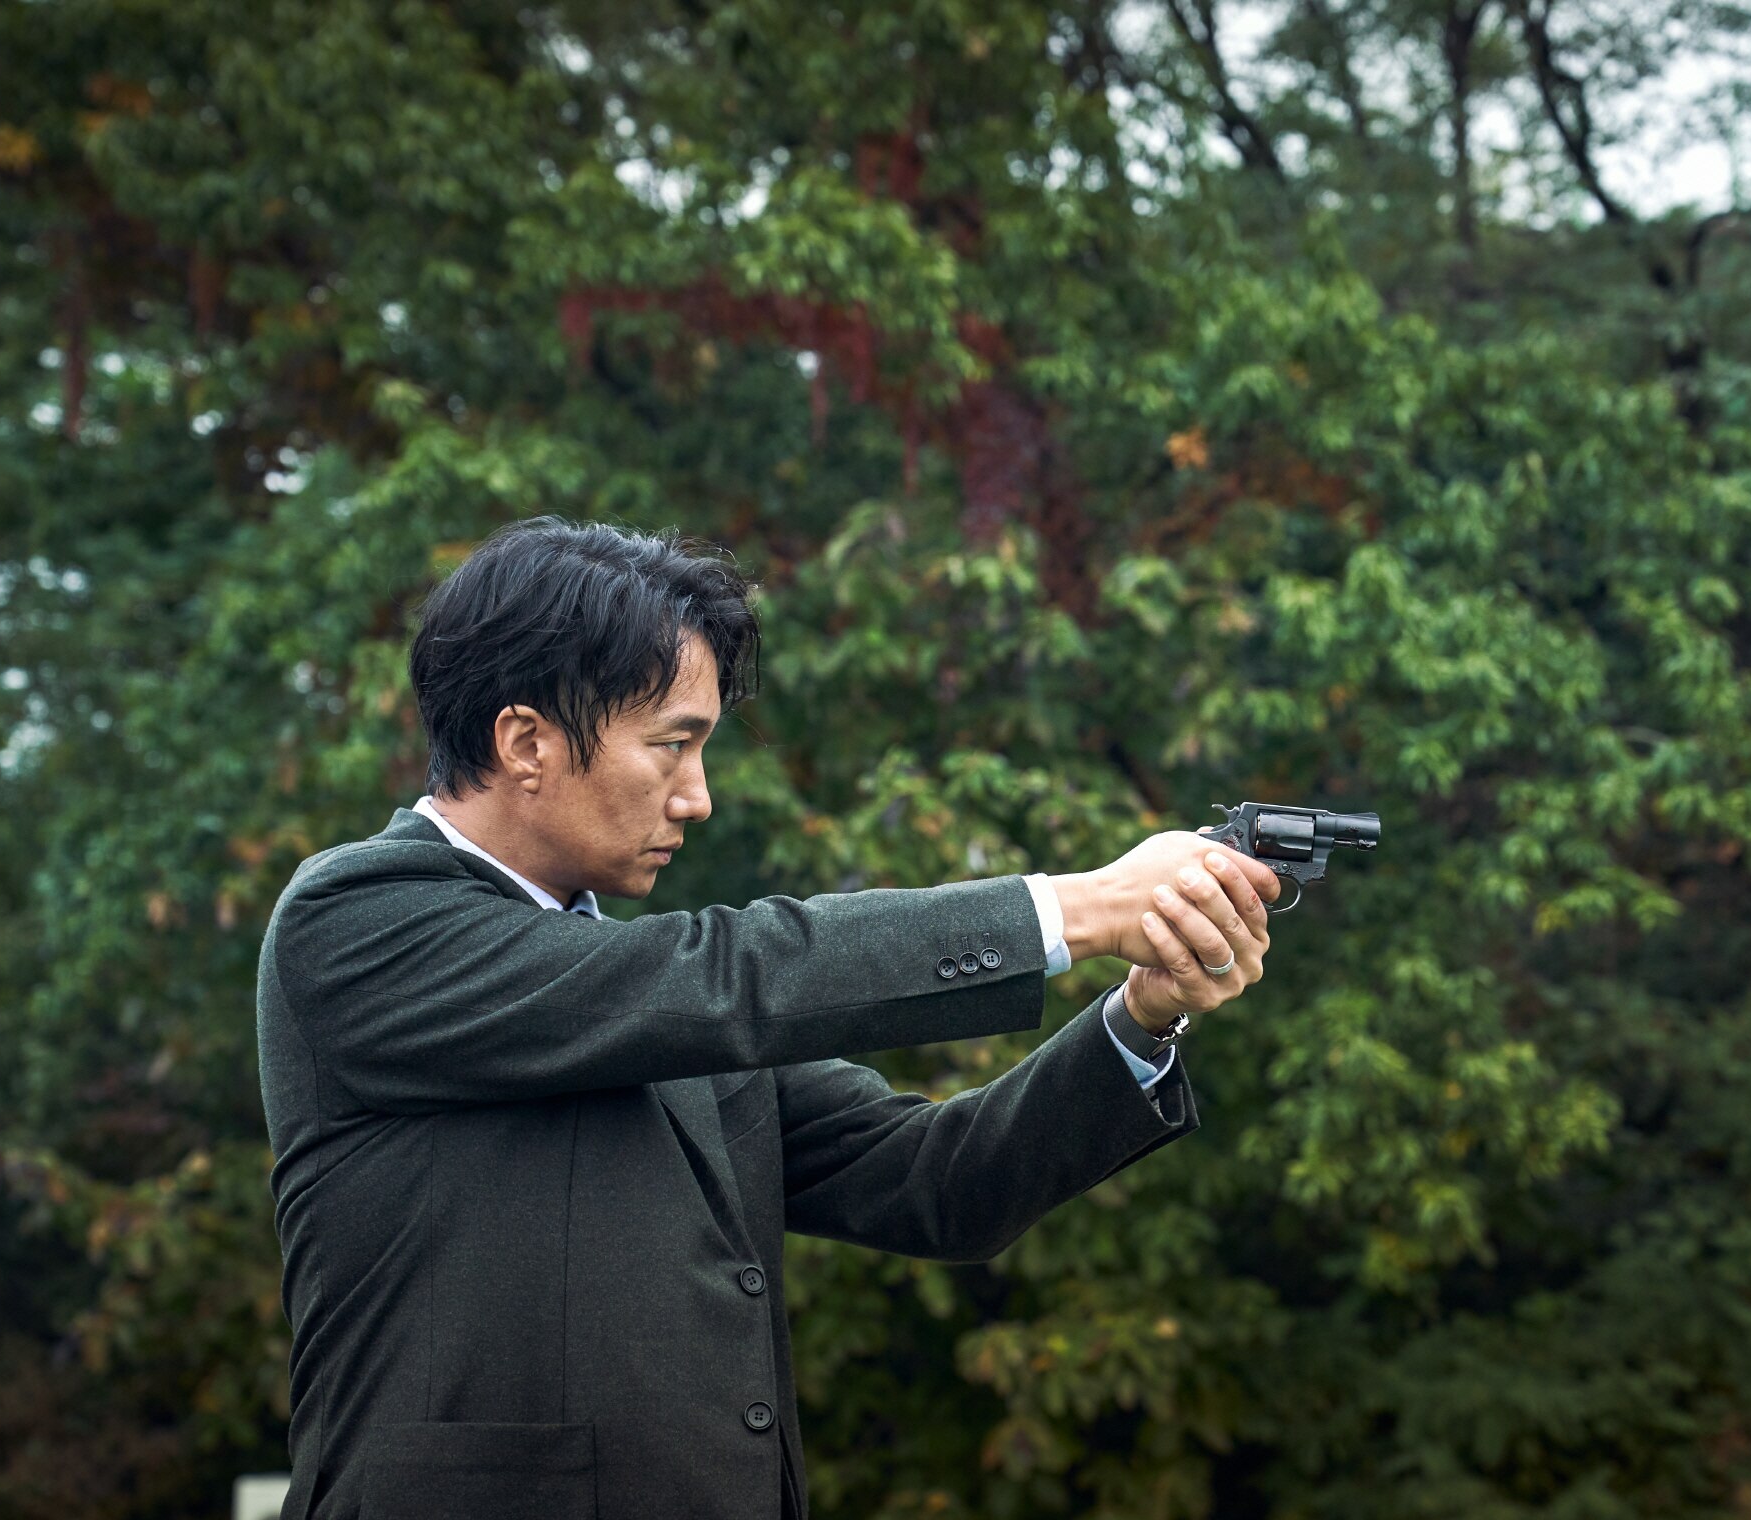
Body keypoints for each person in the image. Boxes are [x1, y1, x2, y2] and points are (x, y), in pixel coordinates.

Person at [255, 518, 1278, 1520]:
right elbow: (715, 975)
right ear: (526, 740)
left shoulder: (666, 1009)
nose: (697, 798)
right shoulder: (355, 920)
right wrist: (1077, 905)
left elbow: (939, 1181)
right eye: (671, 746)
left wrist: (1142, 1016)